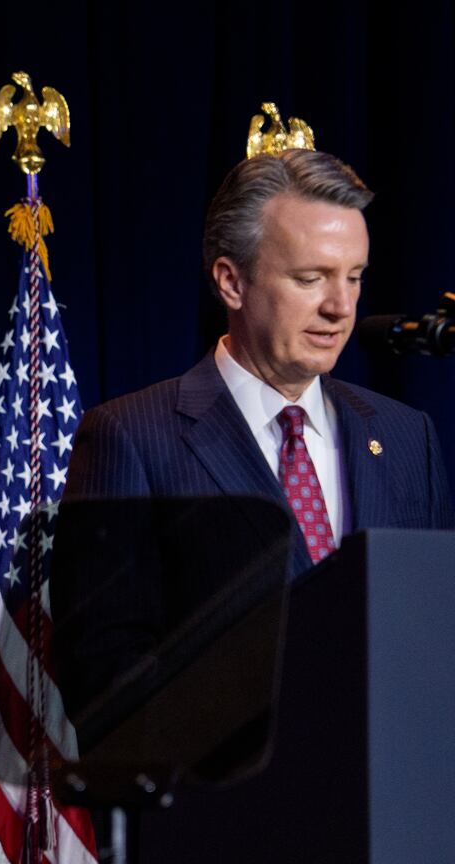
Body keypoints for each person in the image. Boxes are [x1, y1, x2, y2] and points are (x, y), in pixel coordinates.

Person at [56, 148, 454, 713]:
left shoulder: (406, 435)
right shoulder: (132, 437)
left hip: (393, 793)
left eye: (355, 277)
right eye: (310, 278)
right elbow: (104, 679)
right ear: (231, 282)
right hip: (230, 793)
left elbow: (436, 633)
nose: (341, 306)